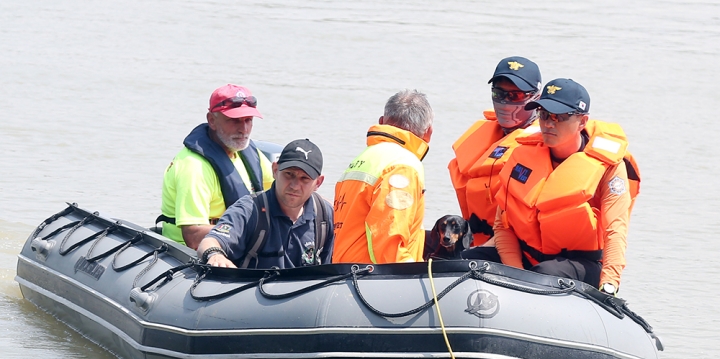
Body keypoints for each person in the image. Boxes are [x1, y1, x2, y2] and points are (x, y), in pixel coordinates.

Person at [490, 78, 641, 294]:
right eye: (543, 115)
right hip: (528, 256)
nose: (548, 124)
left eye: (559, 117)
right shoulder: (522, 156)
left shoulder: (609, 168)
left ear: (582, 122)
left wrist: (610, 283)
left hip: (581, 263)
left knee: (545, 272)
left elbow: (615, 229)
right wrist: (516, 272)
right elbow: (502, 224)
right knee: (466, 260)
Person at [160, 84, 274, 249]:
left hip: (240, 242)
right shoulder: (194, 167)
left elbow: (282, 192)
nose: (244, 129)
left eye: (248, 120)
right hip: (190, 254)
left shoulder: (245, 151)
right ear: (212, 120)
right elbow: (193, 235)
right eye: (234, 120)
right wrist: (256, 232)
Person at [449, 56, 542, 248]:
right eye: (498, 94)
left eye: (515, 96)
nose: (505, 102)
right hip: (478, 243)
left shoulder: (547, 142)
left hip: (521, 250)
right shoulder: (483, 138)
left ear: (536, 98)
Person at [197, 139, 333, 269]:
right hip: (251, 291)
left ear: (318, 182)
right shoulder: (248, 210)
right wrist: (215, 255)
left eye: (304, 178)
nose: (295, 186)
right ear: (275, 170)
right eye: (289, 174)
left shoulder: (325, 216)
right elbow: (210, 242)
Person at [332, 89, 433, 264]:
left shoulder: (363, 158)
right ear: (428, 133)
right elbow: (390, 242)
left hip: (345, 274)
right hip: (375, 281)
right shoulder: (403, 165)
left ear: (382, 122)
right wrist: (415, 279)